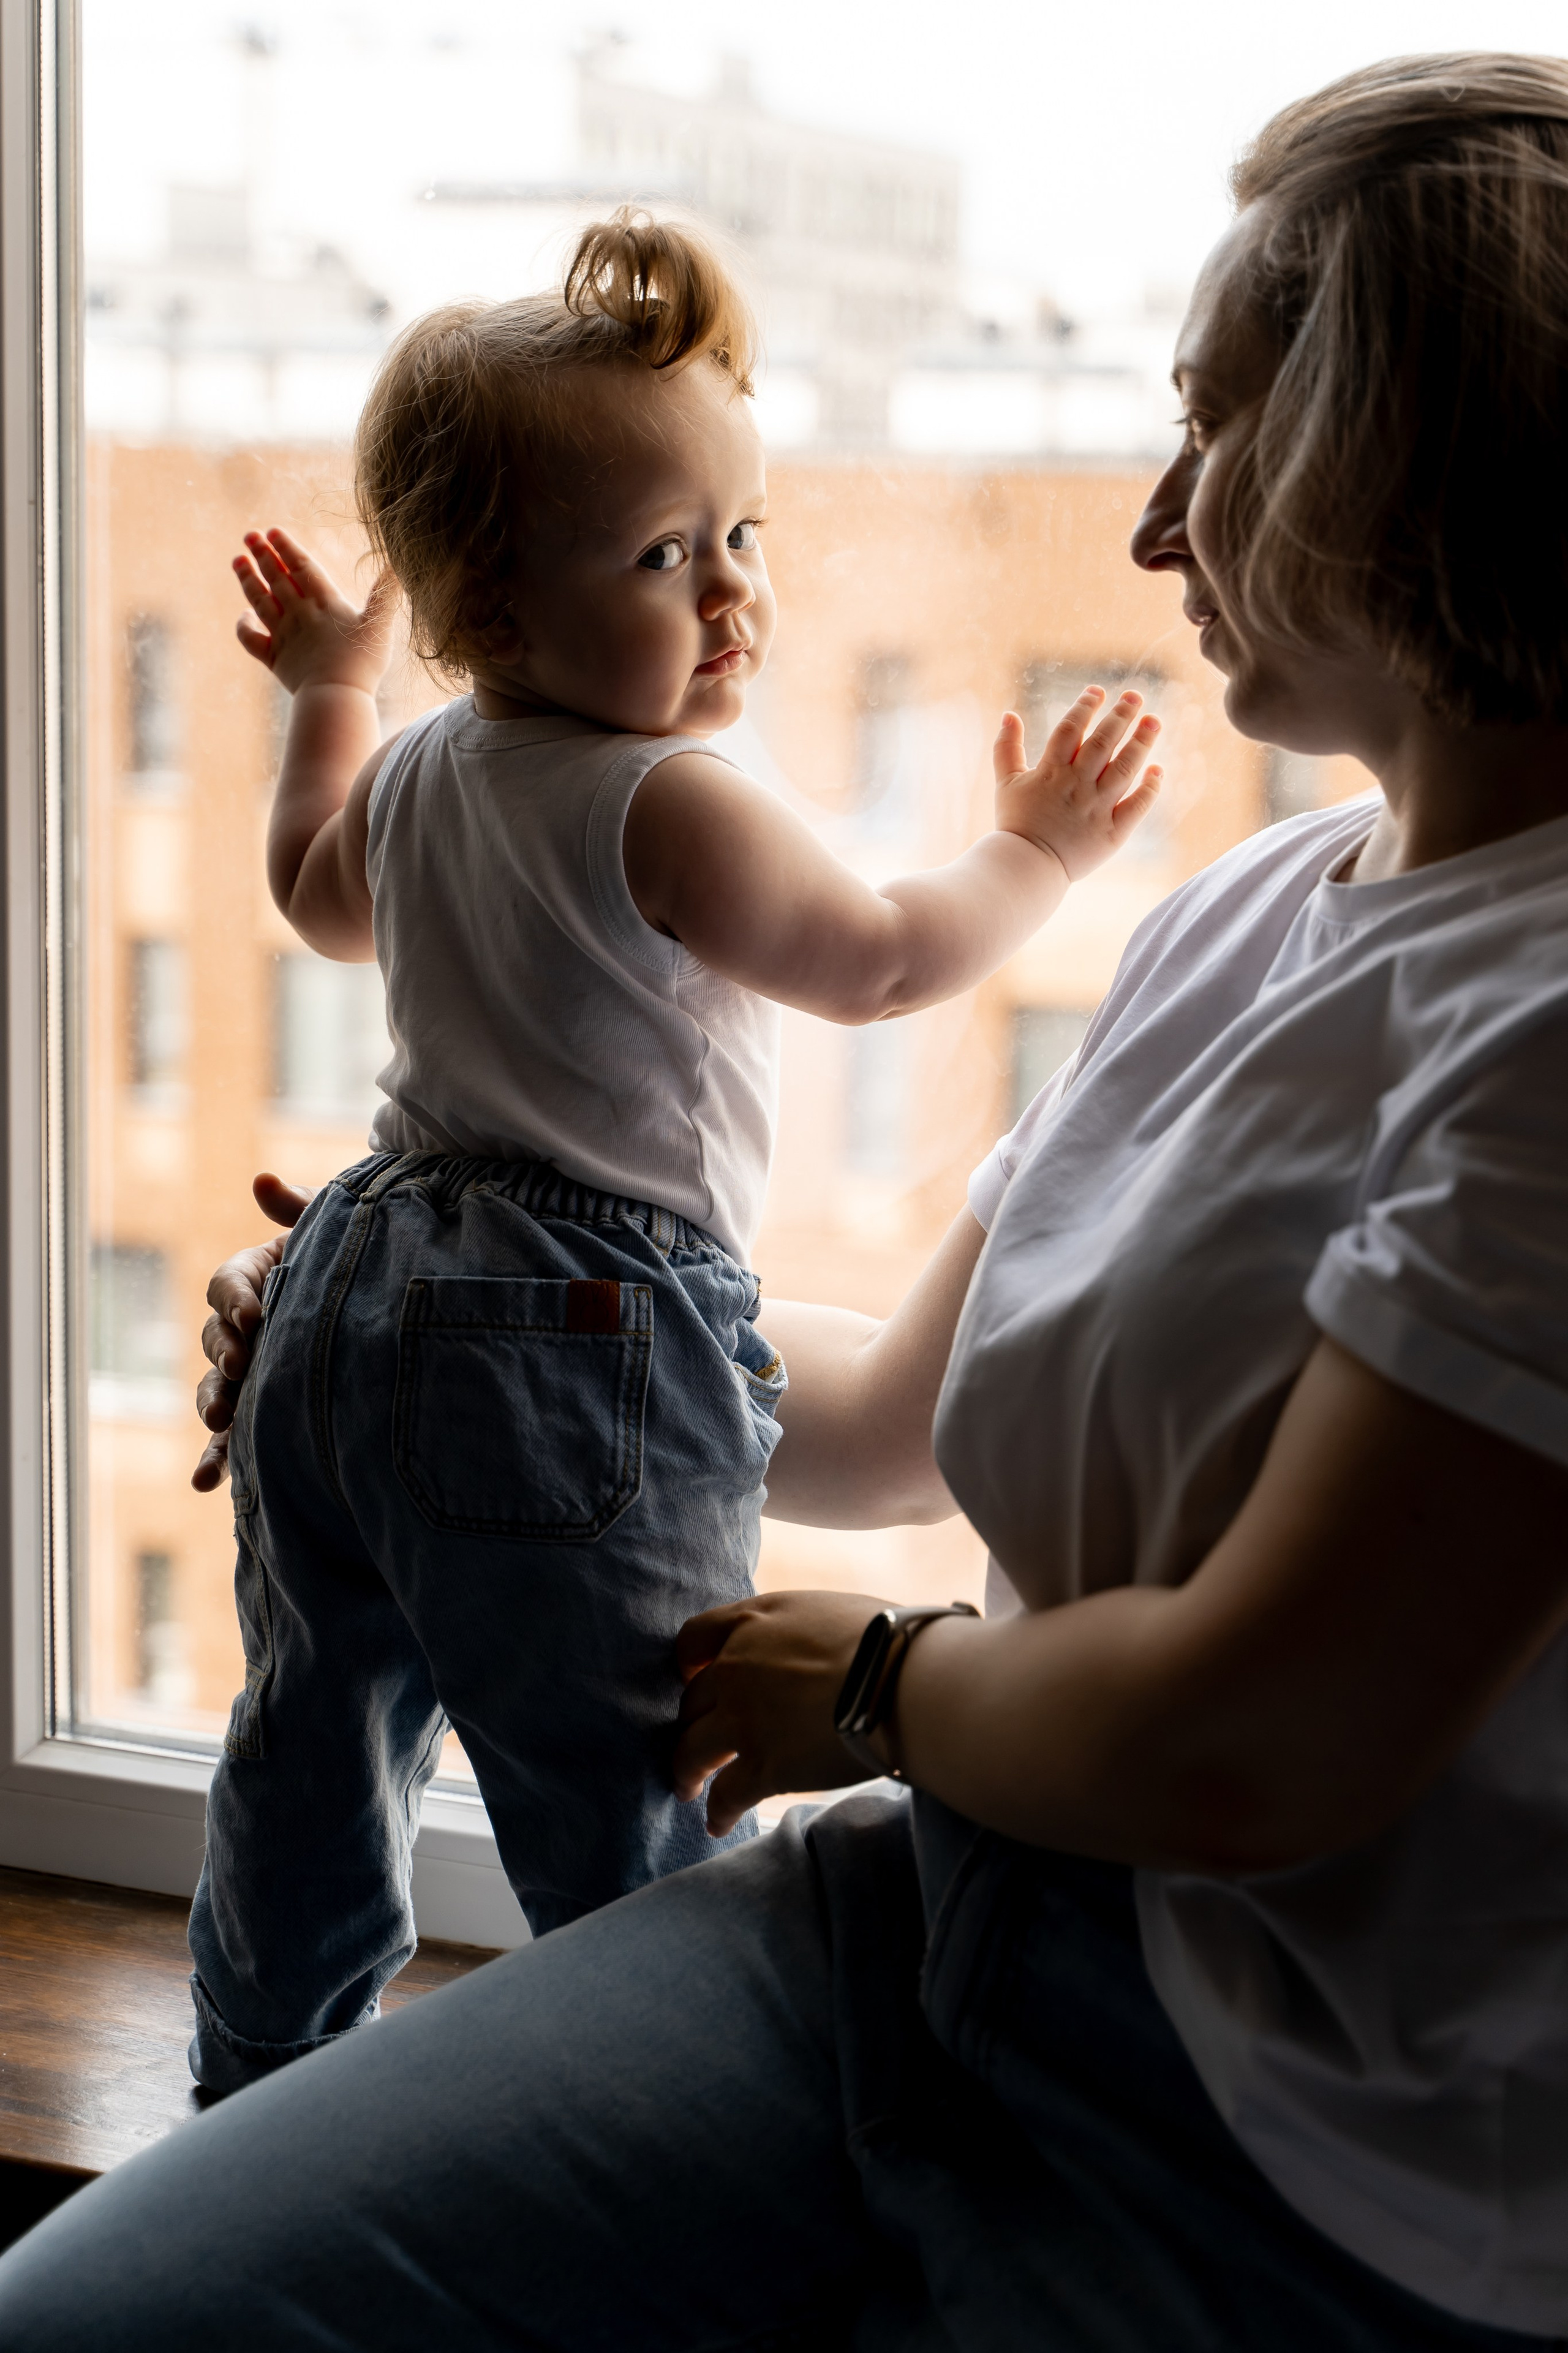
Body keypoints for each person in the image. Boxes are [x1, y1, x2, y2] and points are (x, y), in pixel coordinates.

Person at [2, 47, 1566, 2351]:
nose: (1152, 522)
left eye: (1215, 431)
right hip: (924, 1929)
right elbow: (864, 1432)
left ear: (1404, 468)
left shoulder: (1541, 1022)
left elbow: (1258, 1731)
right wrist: (439, 1310)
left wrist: (893, 1681)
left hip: (1311, 2163)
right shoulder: (1253, 916)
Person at [190, 208, 1159, 2092]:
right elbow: (878, 959)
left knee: (315, 1728)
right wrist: (1037, 854)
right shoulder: (668, 797)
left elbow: (313, 899)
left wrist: (327, 689)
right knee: (629, 1772)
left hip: (356, 1277)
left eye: (745, 535)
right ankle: (674, 2090)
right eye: (661, 556)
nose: (732, 597)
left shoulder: (417, 767)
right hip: (572, 1336)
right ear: (488, 607)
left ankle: (255, 2067)